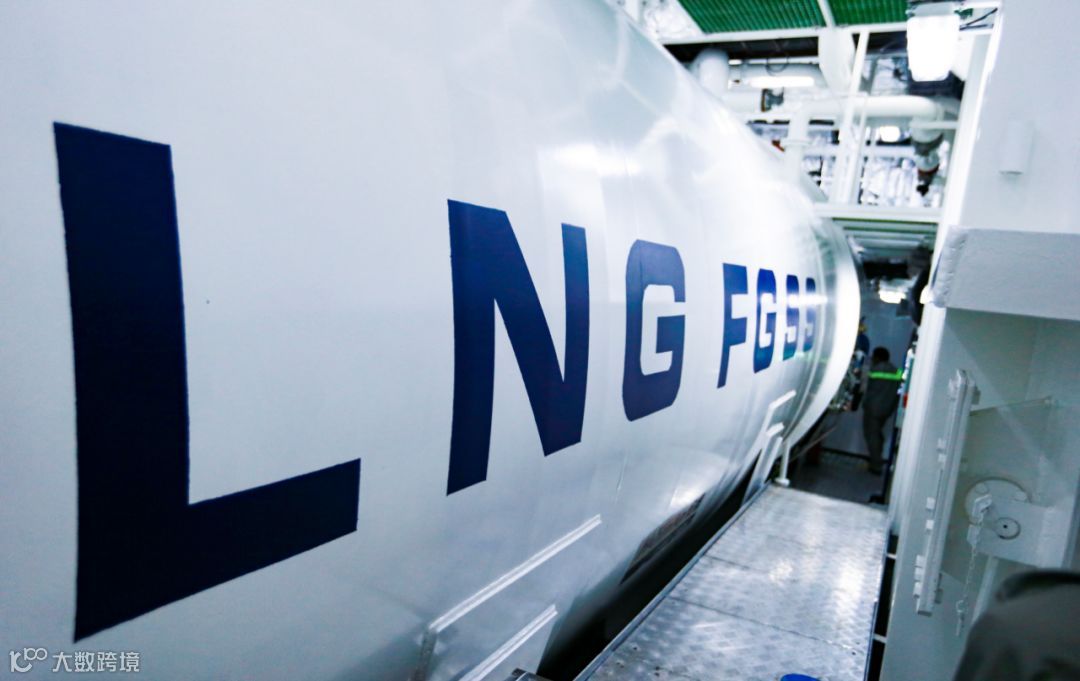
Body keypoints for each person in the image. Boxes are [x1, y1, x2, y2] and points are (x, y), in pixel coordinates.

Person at [862, 347, 901, 475]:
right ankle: (876, 458)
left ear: (878, 357)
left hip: (873, 408)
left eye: (874, 356)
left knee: (872, 435)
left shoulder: (874, 370)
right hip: (887, 409)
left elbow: (865, 387)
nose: (873, 358)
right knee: (877, 434)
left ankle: (876, 465)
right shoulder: (896, 371)